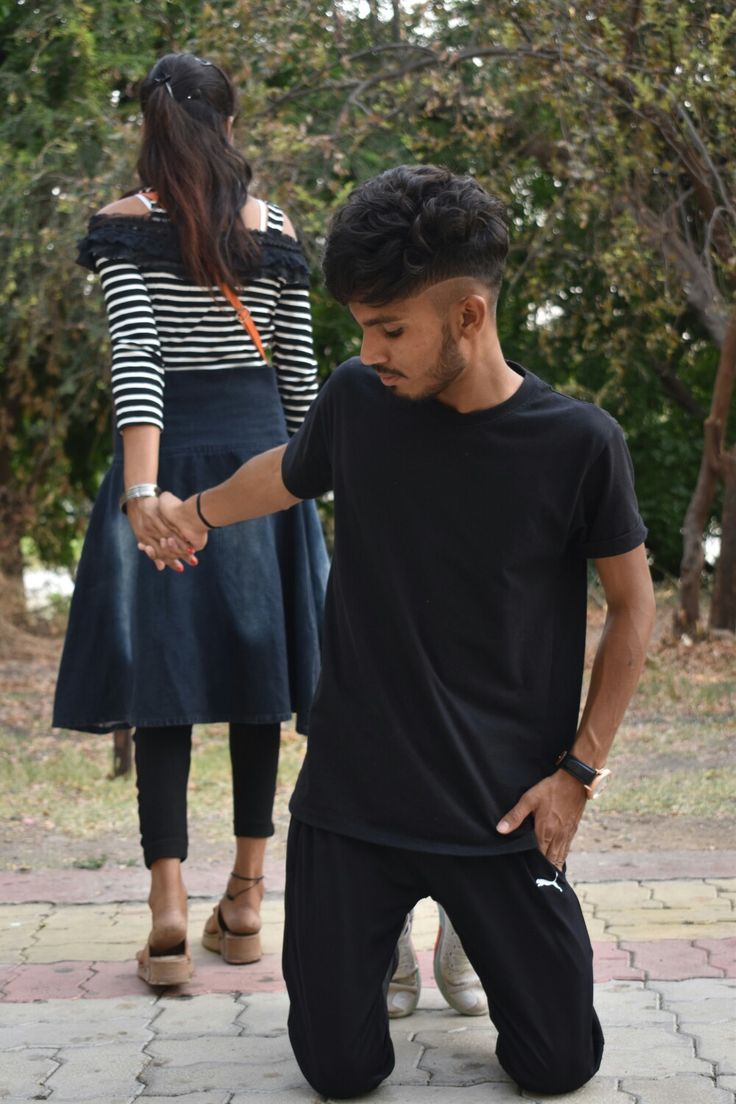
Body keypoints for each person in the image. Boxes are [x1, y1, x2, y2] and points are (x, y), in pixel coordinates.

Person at [145, 165, 656, 1096]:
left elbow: (634, 608)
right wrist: (198, 513)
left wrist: (577, 774)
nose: (372, 349)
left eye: (391, 329)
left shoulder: (578, 444)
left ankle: (471, 922)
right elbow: (289, 471)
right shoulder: (359, 399)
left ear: (468, 315)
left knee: (560, 1065)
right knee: (340, 1073)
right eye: (362, 329)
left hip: (498, 810)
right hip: (356, 803)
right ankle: (386, 947)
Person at [52, 53, 328, 987]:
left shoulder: (125, 229)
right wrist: (308, 497)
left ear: (151, 130)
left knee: (162, 686)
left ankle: (169, 912)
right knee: (261, 680)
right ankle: (246, 903)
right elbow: (301, 384)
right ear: (231, 126)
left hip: (164, 470)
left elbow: (138, 363)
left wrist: (141, 499)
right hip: (263, 471)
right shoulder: (275, 228)